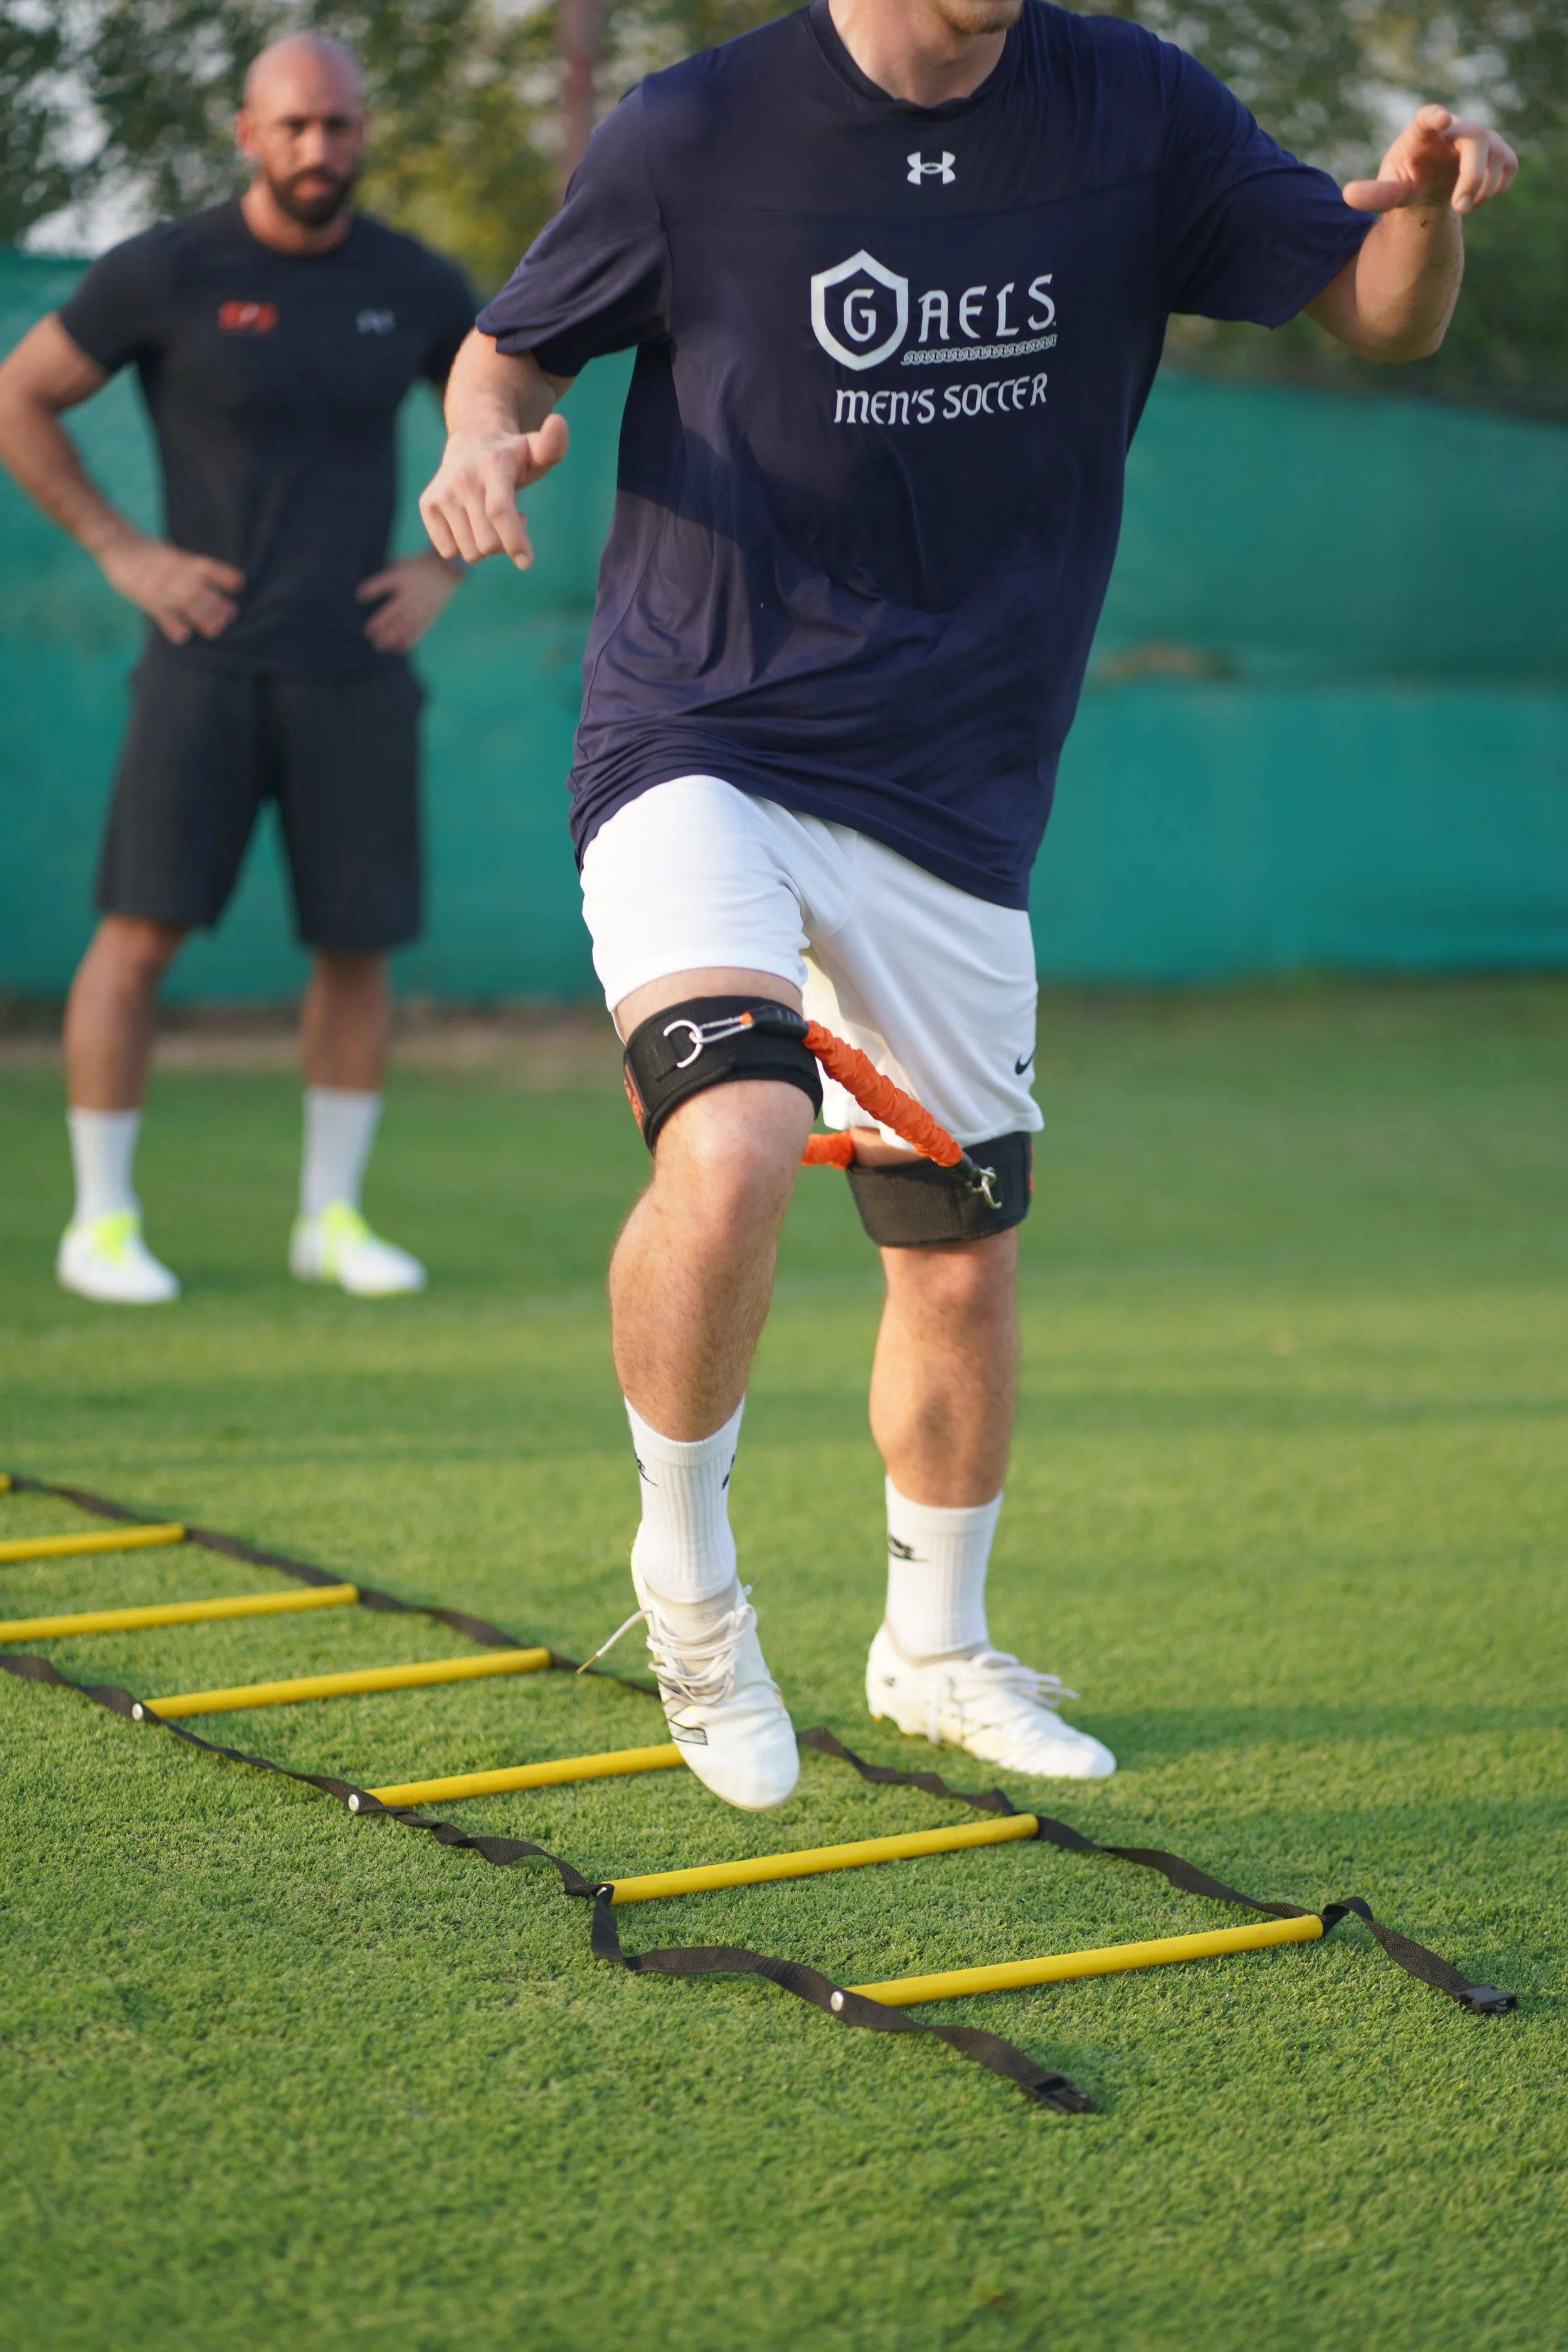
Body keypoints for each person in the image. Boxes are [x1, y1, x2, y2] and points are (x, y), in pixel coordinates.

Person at [419, 0, 1516, 1808]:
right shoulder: (696, 131)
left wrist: (1423, 206)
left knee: (954, 1245)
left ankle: (932, 1651)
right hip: (702, 736)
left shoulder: (1132, 105)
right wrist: (482, 442)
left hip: (954, 793)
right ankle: (688, 1589)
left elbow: (1380, 312)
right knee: (735, 1135)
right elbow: (505, 354)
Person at [0, 33, 477, 1303]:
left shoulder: (417, 284)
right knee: (137, 936)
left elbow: (512, 411)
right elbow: (19, 397)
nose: (320, 147)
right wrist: (120, 549)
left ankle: (332, 1220)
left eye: (340, 124)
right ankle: (100, 1224)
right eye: (295, 125)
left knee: (356, 948)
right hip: (200, 666)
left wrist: (447, 565)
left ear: (365, 131)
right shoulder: (167, 268)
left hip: (355, 669)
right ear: (248, 134)